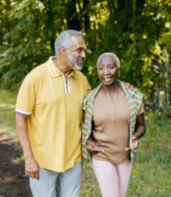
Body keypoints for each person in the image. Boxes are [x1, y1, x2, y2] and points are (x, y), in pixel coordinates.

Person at [15, 30, 135, 197]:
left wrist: (123, 90)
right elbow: (21, 118)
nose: (84, 55)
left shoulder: (81, 79)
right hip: (43, 159)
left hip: (74, 157)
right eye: (79, 50)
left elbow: (94, 112)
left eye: (84, 50)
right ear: (63, 51)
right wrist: (28, 157)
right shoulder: (36, 77)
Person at [82, 52, 146, 197]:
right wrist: (89, 142)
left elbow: (142, 125)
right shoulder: (90, 100)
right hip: (101, 155)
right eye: (101, 68)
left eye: (110, 67)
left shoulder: (134, 96)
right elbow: (87, 130)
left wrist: (135, 137)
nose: (106, 72)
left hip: (125, 156)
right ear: (97, 71)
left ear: (118, 70)